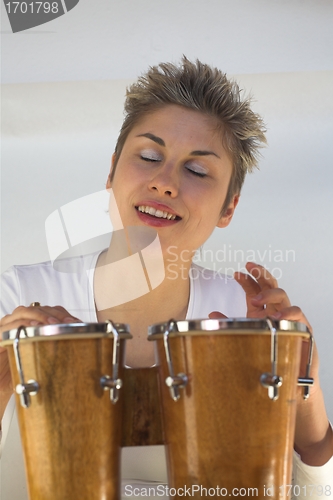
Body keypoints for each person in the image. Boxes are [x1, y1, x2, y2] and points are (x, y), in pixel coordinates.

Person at [1, 57, 332, 499]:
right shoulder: (18, 297)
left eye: (197, 170)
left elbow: (310, 494)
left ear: (228, 208)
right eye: (150, 156)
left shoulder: (244, 320)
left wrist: (303, 387)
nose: (165, 182)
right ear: (112, 170)